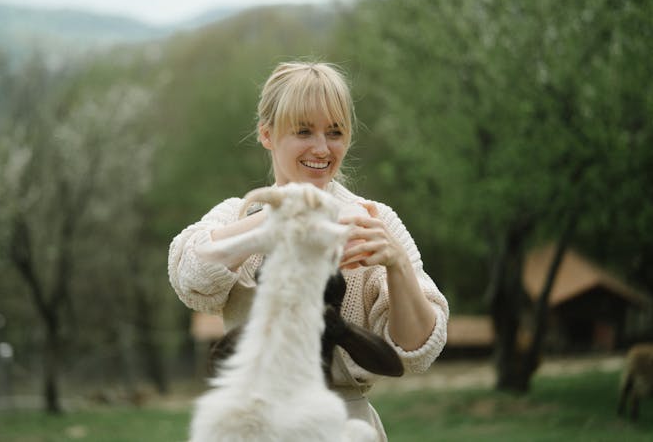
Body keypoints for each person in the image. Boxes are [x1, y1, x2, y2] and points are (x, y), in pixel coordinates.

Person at [168, 61, 449, 441]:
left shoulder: (374, 220)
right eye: (304, 131)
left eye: (335, 132)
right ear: (266, 135)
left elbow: (417, 353)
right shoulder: (236, 214)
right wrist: (279, 218)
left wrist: (396, 263)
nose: (322, 147)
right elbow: (191, 277)